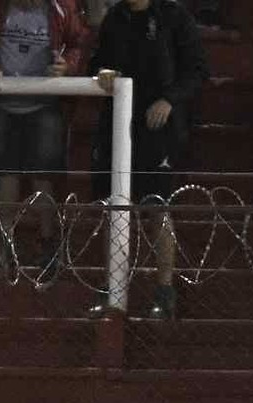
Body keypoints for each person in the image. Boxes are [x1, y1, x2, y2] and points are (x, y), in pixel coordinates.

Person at [88, 0, 209, 319]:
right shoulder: (115, 17)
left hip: (158, 130)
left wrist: (170, 100)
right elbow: (96, 63)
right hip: (116, 124)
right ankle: (112, 289)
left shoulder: (173, 15)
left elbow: (197, 70)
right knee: (113, 206)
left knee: (157, 205)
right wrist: (101, 73)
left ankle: (164, 289)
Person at [0, 0, 83, 281]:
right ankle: (6, 242)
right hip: (1, 103)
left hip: (44, 104)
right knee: (4, 174)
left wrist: (68, 66)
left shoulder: (61, 7)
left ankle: (47, 244)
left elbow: (78, 42)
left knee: (45, 175)